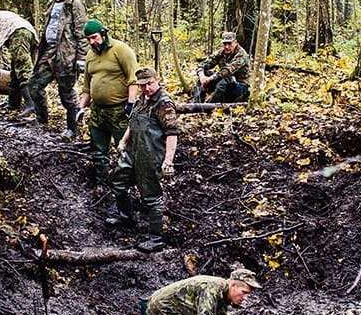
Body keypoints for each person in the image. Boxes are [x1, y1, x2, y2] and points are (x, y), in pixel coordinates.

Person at [107, 67, 179, 252]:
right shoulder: (141, 99)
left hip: (150, 155)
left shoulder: (164, 103)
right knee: (118, 182)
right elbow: (133, 123)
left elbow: (172, 133)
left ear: (157, 80)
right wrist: (122, 141)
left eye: (149, 83)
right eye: (142, 85)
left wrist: (168, 161)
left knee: (151, 197)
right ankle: (126, 217)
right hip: (132, 152)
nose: (146, 88)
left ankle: (156, 239)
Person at [22, 0, 88, 138]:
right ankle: (42, 118)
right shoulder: (52, 3)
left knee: (66, 93)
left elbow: (82, 33)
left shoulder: (75, 4)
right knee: (34, 84)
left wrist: (81, 58)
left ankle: (72, 128)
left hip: (67, 55)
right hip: (49, 51)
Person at [78, 19, 139, 188]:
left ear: (103, 34)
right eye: (88, 39)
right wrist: (81, 108)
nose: (92, 42)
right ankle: (101, 184)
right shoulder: (90, 56)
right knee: (98, 150)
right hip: (97, 111)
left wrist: (130, 103)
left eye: (94, 37)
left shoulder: (121, 50)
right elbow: (86, 86)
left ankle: (125, 186)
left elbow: (133, 78)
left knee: (124, 149)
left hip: (119, 110)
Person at [0, 8, 38, 115]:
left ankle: (32, 105)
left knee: (23, 69)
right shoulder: (6, 14)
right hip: (29, 32)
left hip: (18, 33)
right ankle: (13, 103)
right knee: (15, 70)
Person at [193, 31, 251, 104]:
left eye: (229, 43)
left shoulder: (241, 54)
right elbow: (204, 64)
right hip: (224, 85)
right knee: (204, 75)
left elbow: (227, 71)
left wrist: (210, 79)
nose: (227, 47)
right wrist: (202, 76)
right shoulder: (221, 53)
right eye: (225, 44)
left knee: (226, 79)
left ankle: (208, 106)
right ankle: (196, 104)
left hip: (240, 88)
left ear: (235, 42)